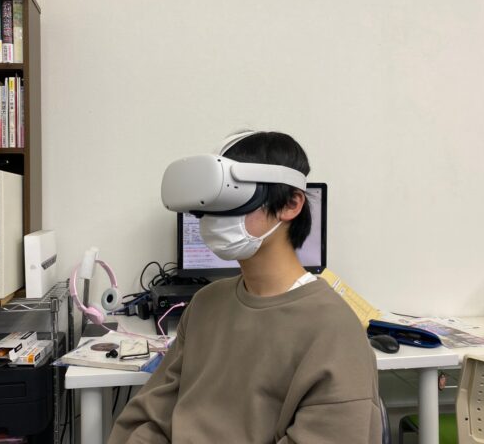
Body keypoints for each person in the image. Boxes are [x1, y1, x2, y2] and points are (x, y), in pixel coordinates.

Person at [108, 131, 382, 444]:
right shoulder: (205, 304)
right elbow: (150, 417)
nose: (214, 219)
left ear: (291, 204)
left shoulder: (334, 331)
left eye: (233, 199)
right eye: (211, 204)